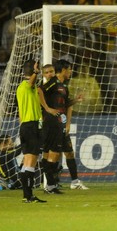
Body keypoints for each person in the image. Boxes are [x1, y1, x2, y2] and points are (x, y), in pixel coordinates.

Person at [40, 60, 81, 194]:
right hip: (52, 122)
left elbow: (65, 104)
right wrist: (47, 108)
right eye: (69, 69)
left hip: (59, 123)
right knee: (54, 154)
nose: (70, 72)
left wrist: (76, 100)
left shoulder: (63, 86)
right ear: (63, 70)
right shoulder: (53, 81)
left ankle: (51, 185)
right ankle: (50, 185)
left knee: (52, 155)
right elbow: (39, 90)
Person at [16, 60, 46, 203]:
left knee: (29, 161)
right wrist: (35, 72)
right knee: (31, 160)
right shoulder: (25, 86)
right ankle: (28, 195)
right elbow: (31, 83)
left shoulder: (30, 89)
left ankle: (27, 195)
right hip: (30, 126)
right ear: (33, 69)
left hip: (28, 126)